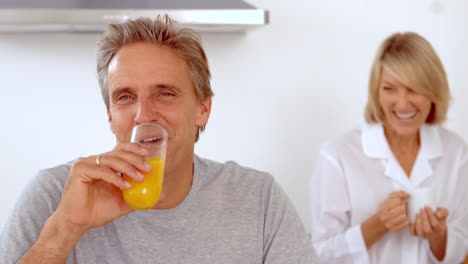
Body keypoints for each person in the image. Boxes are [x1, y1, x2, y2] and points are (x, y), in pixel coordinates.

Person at [0, 15, 317, 264]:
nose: (144, 114)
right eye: (125, 97)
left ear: (202, 110)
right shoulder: (53, 195)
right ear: (110, 114)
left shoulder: (258, 199)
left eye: (164, 93)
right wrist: (65, 229)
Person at [309, 32, 468, 263]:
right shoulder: (338, 155)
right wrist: (377, 225)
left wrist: (439, 236)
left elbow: (462, 248)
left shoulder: (456, 153)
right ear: (376, 91)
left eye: (414, 89)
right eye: (389, 88)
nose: (402, 104)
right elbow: (319, 255)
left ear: (434, 91)